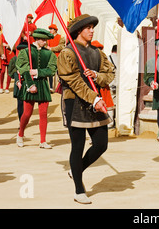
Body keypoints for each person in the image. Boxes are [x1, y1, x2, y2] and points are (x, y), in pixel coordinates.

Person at [57, 14, 115, 204]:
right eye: (87, 28)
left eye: (92, 27)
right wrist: (94, 98)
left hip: (95, 103)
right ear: (78, 31)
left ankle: (76, 170)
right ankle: (79, 190)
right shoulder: (67, 53)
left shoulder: (98, 53)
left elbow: (110, 74)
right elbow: (72, 81)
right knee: (78, 145)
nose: (91, 31)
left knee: (101, 144)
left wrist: (97, 76)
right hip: (75, 102)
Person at [15, 28, 57, 149]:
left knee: (43, 114)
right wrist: (30, 84)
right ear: (37, 39)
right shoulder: (25, 52)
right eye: (43, 40)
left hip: (43, 84)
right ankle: (20, 134)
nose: (45, 42)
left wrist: (38, 72)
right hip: (29, 84)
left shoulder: (49, 54)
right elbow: (23, 68)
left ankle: (43, 141)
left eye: (46, 40)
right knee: (27, 113)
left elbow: (52, 70)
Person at [47, 23, 65, 91]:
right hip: (50, 57)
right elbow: (46, 46)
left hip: (58, 57)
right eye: (50, 29)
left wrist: (51, 48)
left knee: (59, 73)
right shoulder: (48, 38)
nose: (50, 30)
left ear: (55, 30)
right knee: (50, 72)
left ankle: (59, 88)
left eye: (51, 29)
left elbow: (61, 47)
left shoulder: (61, 37)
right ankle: (51, 87)